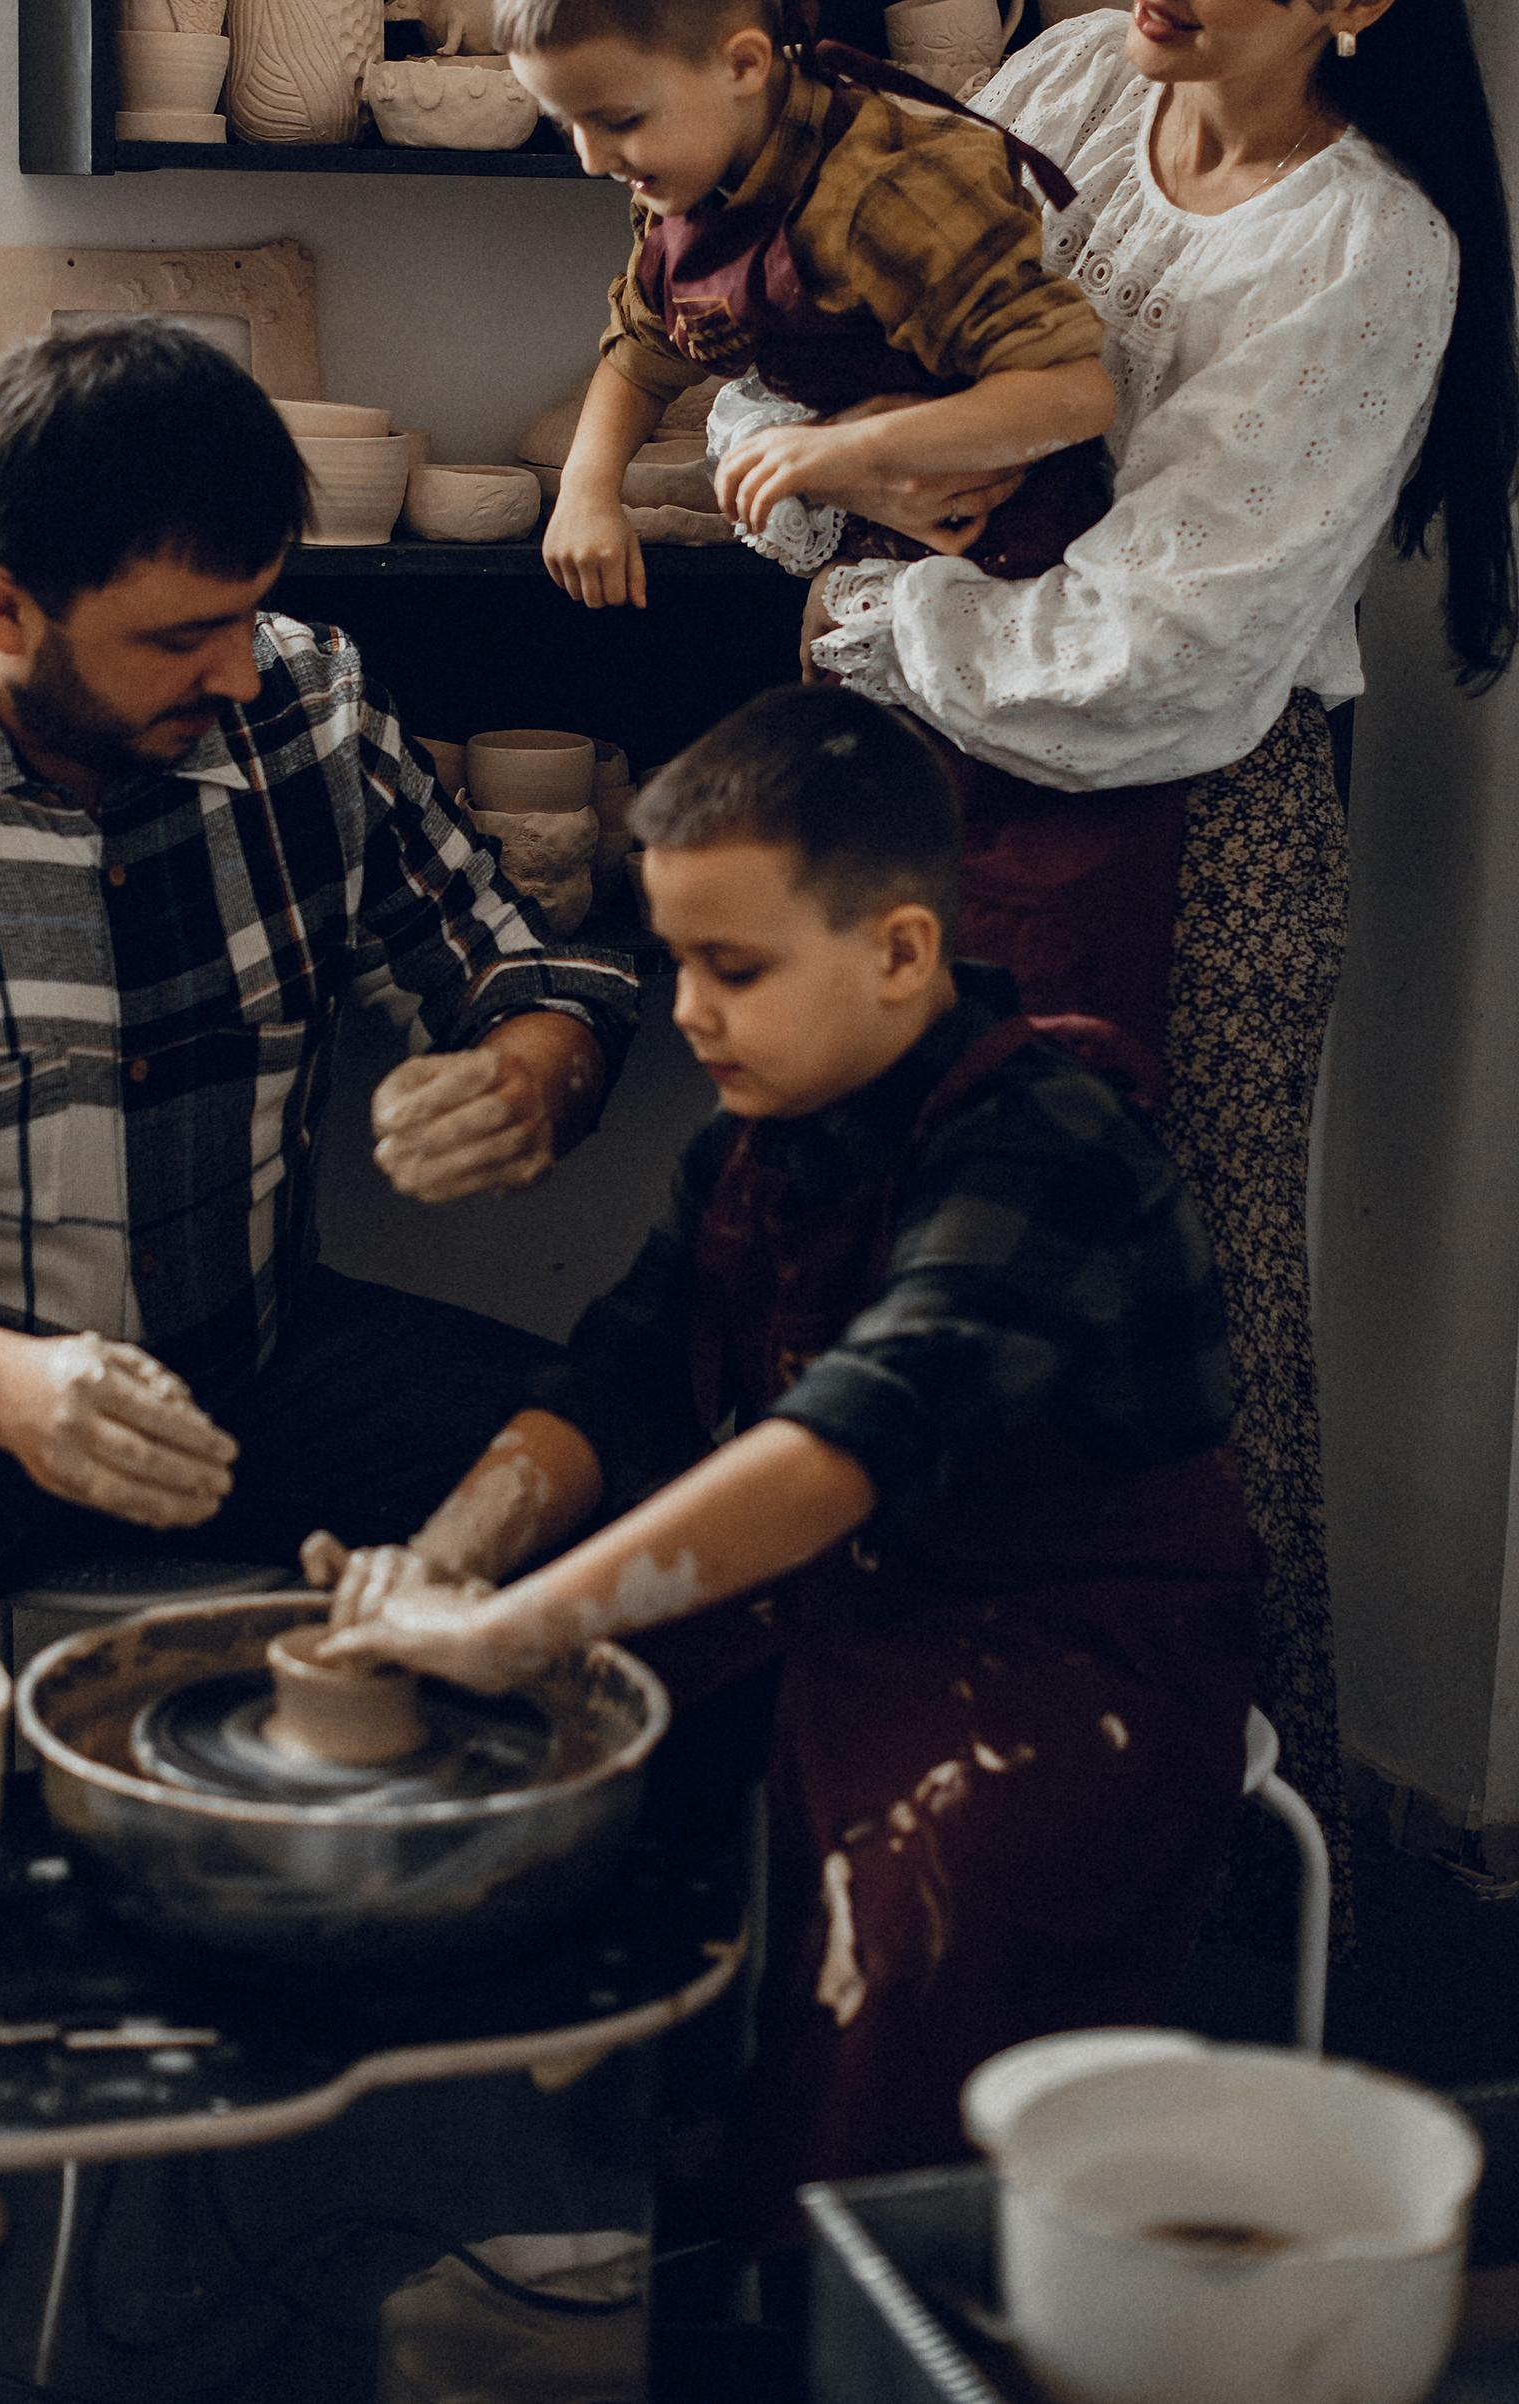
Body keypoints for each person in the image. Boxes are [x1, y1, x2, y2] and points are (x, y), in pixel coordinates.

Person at [803, 0, 1519, 1887]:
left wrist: (866, 593)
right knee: (913, 1284)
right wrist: (853, 497)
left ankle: (1218, 1848)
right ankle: (938, 1807)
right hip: (950, 772)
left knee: (1175, 1339)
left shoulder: (1362, 253)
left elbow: (1160, 651)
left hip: (1201, 829)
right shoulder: (1065, 94)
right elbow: (852, 357)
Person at [310, 687, 1256, 2222]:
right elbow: (616, 1380)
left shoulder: (1049, 1141)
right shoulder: (760, 1129)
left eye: (731, 969)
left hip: (1078, 1644)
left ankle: (855, 2273)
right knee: (563, 1789)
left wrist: (512, 1625)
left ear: (899, 951)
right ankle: (662, 2181)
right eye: (677, 960)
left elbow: (839, 1448)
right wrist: (447, 1556)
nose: (685, 1013)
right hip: (852, 1591)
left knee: (894, 1922)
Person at [0, 322, 639, 1639]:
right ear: (0, 606)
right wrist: (15, 1390)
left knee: (642, 1478)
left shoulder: (303, 705)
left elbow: (527, 965)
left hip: (256, 1363)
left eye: (252, 612)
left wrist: (529, 1075)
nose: (238, 673)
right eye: (181, 639)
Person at [498, 0, 1121, 617]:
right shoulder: (683, 174)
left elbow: (1075, 395)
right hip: (879, 537)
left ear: (745, 65)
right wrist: (588, 494)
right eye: (568, 125)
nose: (593, 159)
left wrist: (838, 451)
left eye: (618, 120)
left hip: (1024, 562)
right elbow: (643, 349)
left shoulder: (890, 192)